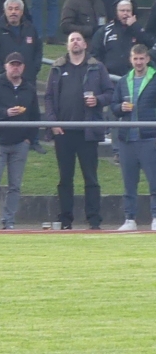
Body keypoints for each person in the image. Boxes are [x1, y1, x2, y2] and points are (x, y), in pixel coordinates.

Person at [44, 29, 112, 230]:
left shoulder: (97, 67)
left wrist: (97, 100)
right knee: (65, 178)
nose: (75, 42)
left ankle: (94, 220)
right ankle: (66, 220)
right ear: (67, 45)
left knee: (91, 178)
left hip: (87, 132)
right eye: (72, 39)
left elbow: (110, 92)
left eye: (78, 39)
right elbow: (48, 97)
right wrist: (53, 122)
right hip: (63, 132)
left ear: (85, 44)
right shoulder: (57, 67)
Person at [0, 52, 39, 231]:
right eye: (12, 64)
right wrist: (5, 113)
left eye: (18, 65)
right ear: (6, 66)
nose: (15, 68)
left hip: (20, 143)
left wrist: (29, 139)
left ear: (23, 67)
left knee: (15, 185)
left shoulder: (29, 88)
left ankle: (9, 220)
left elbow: (35, 115)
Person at [115, 43, 156, 231]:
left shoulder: (154, 79)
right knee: (129, 183)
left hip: (149, 138)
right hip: (127, 139)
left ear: (147, 59)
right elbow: (114, 106)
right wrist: (120, 107)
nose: (138, 62)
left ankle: (155, 217)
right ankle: (129, 219)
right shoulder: (124, 81)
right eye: (135, 58)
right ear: (130, 60)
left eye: (141, 58)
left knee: (154, 180)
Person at [95, 0, 149, 78]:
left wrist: (135, 26)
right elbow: (95, 53)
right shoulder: (105, 30)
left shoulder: (139, 29)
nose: (125, 13)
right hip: (110, 76)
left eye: (128, 11)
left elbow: (149, 44)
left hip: (134, 76)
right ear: (116, 12)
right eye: (122, 10)